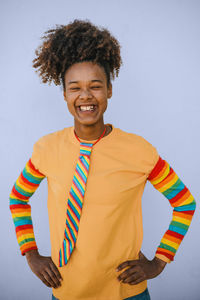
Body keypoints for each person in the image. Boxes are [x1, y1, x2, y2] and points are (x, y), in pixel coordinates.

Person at [9, 19, 196, 300]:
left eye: (95, 86)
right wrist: (31, 254)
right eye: (75, 87)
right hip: (67, 290)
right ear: (64, 95)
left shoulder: (139, 150)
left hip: (126, 292)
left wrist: (159, 261)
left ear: (109, 90)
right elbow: (17, 198)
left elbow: (184, 202)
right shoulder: (45, 149)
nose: (86, 95)